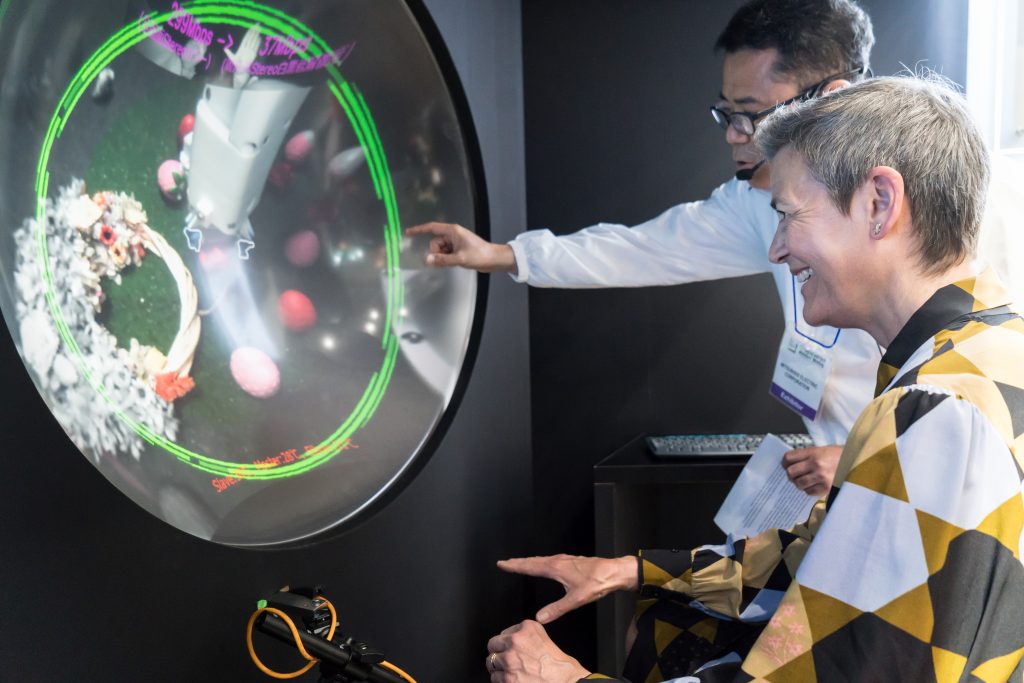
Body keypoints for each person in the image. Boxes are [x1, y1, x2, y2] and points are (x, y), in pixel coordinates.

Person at [484, 73, 1024, 682]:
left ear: (879, 202)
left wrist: (568, 681)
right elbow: (829, 551)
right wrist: (636, 570)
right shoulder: (995, 352)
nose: (775, 250)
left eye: (789, 215)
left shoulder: (929, 412)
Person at [410, 1, 878, 679]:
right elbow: (648, 248)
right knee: (673, 629)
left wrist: (873, 461)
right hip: (825, 503)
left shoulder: (948, 231)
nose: (734, 137)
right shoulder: (762, 202)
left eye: (752, 114)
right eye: (726, 114)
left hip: (891, 514)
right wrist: (506, 255)